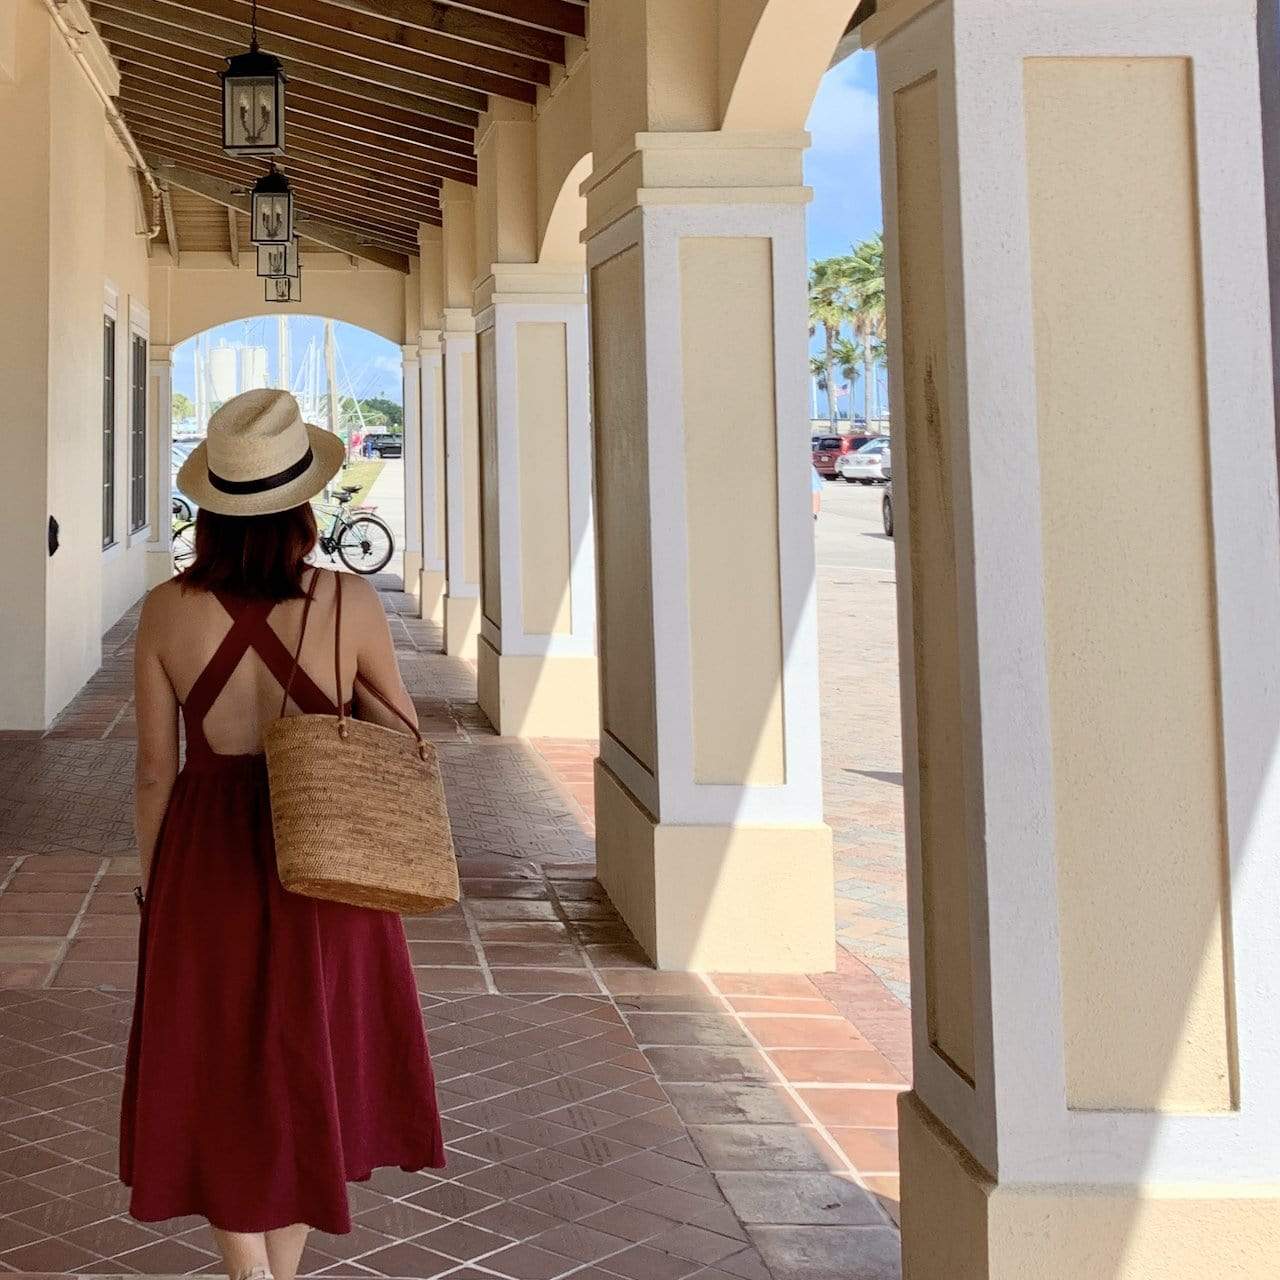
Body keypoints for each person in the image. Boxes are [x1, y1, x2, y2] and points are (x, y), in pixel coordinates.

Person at [119, 390, 444, 1280]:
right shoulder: (349, 601)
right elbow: (402, 733)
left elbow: (154, 770)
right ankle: (280, 1272)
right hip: (331, 852)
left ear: (211, 511)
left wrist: (156, 885)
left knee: (215, 1061)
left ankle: (246, 1270)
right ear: (303, 505)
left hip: (207, 855)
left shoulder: (164, 611)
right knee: (317, 1057)